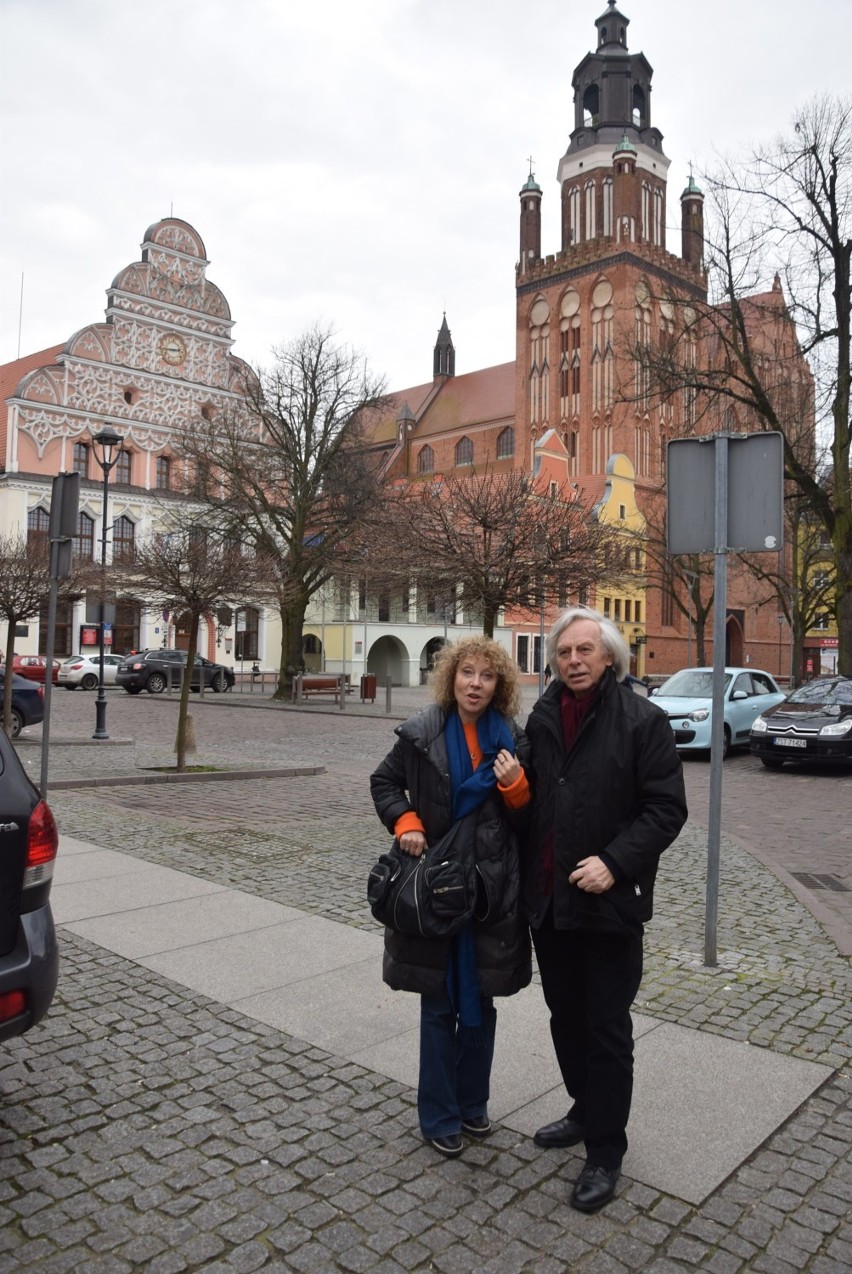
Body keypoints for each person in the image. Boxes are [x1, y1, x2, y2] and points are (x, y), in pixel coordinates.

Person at [523, 606, 687, 1212]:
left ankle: (606, 1150)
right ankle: (584, 1110)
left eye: (585, 651)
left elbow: (666, 810)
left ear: (609, 657)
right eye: (564, 653)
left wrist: (614, 863)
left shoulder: (642, 721)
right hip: (551, 903)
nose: (573, 661)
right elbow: (533, 802)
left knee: (607, 1027)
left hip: (609, 903)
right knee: (565, 1016)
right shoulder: (541, 717)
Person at [370, 637, 532, 1157]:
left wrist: (516, 789)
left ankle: (472, 1104)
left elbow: (528, 821)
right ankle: (438, 1114)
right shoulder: (423, 732)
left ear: (499, 685)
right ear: (451, 677)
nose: (476, 684)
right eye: (467, 673)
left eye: (487, 676)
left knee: (481, 1002)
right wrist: (407, 821)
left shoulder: (513, 741)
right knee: (439, 1004)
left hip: (489, 892)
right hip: (437, 887)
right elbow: (385, 782)